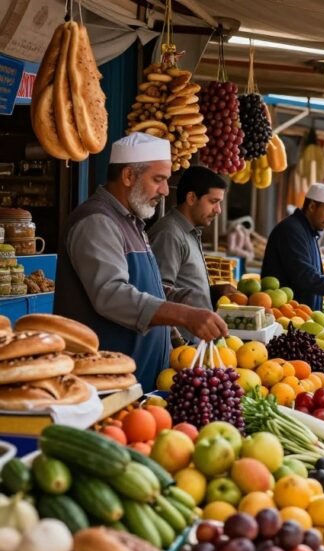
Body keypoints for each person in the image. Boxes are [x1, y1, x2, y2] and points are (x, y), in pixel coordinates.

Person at [55, 133, 228, 389]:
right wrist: (183, 315)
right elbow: (111, 294)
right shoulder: (97, 221)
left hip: (135, 382)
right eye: (158, 180)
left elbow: (151, 289)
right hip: (103, 384)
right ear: (128, 176)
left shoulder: (132, 222)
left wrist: (177, 342)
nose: (166, 191)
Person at [149, 166, 235, 316]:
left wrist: (212, 293)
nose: (218, 210)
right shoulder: (169, 234)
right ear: (191, 198)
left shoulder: (190, 232)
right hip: (182, 338)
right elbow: (159, 294)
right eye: (213, 201)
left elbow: (182, 286)